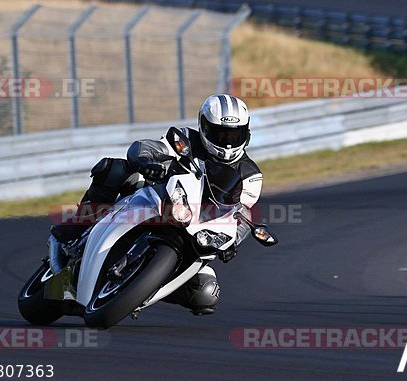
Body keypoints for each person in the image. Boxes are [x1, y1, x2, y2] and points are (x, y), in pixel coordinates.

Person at [50, 94, 263, 315]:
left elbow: (243, 213)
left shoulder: (251, 175)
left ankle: (137, 291)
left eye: (234, 134)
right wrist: (147, 161)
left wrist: (233, 240)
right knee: (113, 170)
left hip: (197, 228)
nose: (227, 142)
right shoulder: (185, 139)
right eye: (220, 133)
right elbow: (144, 147)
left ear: (245, 133)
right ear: (204, 127)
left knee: (206, 293)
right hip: (158, 198)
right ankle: (74, 228)